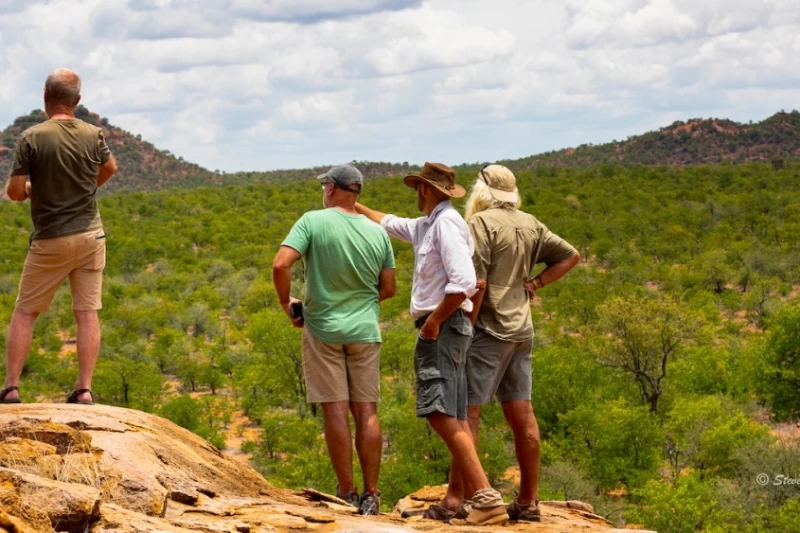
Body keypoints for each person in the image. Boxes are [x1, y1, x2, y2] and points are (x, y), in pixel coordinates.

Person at [355, 162, 509, 527]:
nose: (416, 195)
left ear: (425, 190)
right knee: (453, 415)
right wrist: (352, 206)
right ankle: (467, 499)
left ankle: (485, 496)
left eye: (417, 189)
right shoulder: (428, 225)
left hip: (441, 327)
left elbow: (464, 282)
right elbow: (389, 222)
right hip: (449, 327)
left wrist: (434, 324)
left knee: (439, 412)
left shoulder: (446, 224)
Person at [272, 164, 396, 516]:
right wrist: (359, 302)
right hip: (365, 331)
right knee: (367, 410)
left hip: (323, 328)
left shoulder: (312, 220)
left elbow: (281, 264)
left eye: (324, 185)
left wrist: (287, 303)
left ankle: (346, 491)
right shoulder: (377, 233)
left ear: (331, 187)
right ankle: (372, 494)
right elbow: (388, 289)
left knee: (336, 409)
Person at [464, 164, 580, 522]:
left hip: (487, 330)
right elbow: (571, 255)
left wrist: (465, 328)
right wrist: (537, 283)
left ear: (481, 192)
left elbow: (478, 284)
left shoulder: (479, 224)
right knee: (522, 413)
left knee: (467, 413)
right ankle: (528, 501)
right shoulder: (531, 222)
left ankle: (477, 500)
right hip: (521, 330)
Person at [1, 68, 118, 406]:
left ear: (45, 96)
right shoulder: (93, 133)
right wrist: (84, 188)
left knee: (25, 311)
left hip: (50, 238)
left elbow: (13, 191)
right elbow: (110, 169)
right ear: (77, 101)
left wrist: (30, 189)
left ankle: (11, 388)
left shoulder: (32, 137)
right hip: (90, 236)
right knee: (87, 312)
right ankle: (84, 389)